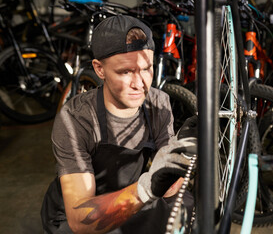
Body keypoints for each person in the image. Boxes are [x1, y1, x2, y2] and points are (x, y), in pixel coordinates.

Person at [41, 14, 196, 234]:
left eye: (146, 68)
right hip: (76, 215)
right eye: (125, 72)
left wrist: (179, 160)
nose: (139, 83)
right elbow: (80, 218)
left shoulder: (158, 103)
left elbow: (171, 191)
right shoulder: (76, 118)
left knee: (184, 203)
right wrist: (145, 188)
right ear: (99, 69)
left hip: (129, 198)